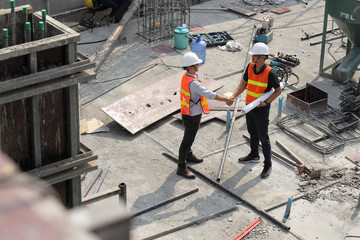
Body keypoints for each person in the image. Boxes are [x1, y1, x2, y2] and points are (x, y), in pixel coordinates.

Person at [177, 52, 233, 179]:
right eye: (196, 63)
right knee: (187, 141)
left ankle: (189, 155)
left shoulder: (187, 77)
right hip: (192, 116)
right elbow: (209, 94)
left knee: (189, 138)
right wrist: (226, 99)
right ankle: (181, 167)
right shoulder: (193, 83)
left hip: (187, 113)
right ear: (191, 67)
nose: (198, 65)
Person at [230, 42, 281, 179]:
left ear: (263, 58)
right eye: (252, 55)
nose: (252, 57)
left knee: (263, 137)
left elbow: (278, 90)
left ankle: (268, 164)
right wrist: (234, 96)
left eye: (255, 55)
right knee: (252, 132)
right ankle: (254, 154)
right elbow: (243, 83)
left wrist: (266, 102)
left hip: (261, 110)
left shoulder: (270, 73)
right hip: (250, 106)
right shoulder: (250, 67)